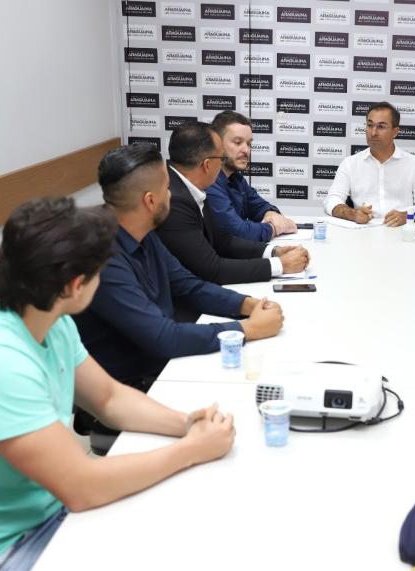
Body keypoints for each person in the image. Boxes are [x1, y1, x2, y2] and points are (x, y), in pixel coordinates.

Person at [0, 198, 238, 571]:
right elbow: (82, 487)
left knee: (177, 545)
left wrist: (184, 425)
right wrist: (191, 451)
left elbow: (108, 399)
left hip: (45, 516)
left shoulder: (45, 312)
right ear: (73, 284)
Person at [74, 144, 283, 391]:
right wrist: (248, 329)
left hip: (163, 365)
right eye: (167, 187)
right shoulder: (102, 259)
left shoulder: (142, 231)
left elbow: (188, 285)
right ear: (150, 201)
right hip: (133, 387)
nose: (172, 194)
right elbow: (163, 337)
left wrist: (247, 304)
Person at [157, 122, 309, 284]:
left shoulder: (192, 187)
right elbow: (212, 269)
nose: (222, 163)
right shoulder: (174, 200)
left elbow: (223, 241)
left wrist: (274, 251)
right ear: (207, 165)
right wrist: (280, 265)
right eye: (221, 157)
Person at [323, 101, 415, 227]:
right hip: (362, 235)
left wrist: (408, 216)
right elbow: (331, 201)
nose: (373, 132)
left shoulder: (414, 164)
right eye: (370, 125)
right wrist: (353, 214)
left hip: (401, 233)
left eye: (381, 127)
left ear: (395, 131)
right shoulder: (350, 163)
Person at [205, 111, 298, 242]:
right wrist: (274, 228)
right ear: (217, 144)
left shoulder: (236, 178)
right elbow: (238, 232)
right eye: (237, 142)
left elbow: (259, 205)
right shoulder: (209, 181)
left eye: (249, 144)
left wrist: (270, 213)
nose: (246, 150)